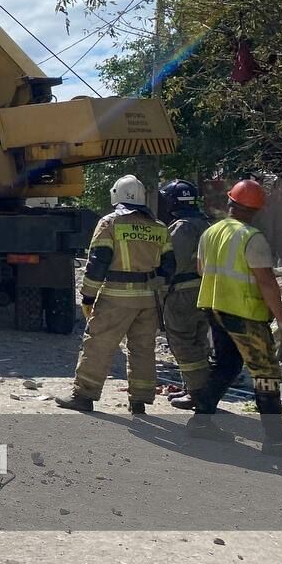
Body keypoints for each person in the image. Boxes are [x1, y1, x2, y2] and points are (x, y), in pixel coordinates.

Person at [187, 180, 282, 456]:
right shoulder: (253, 237)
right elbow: (266, 283)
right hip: (245, 314)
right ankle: (275, 441)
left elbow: (202, 270)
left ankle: (200, 421)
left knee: (227, 366)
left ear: (230, 203)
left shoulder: (211, 232)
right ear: (257, 210)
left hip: (215, 308)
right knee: (266, 374)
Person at [56, 174, 174, 415]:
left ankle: (84, 396)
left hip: (115, 298)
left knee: (98, 345)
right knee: (142, 349)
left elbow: (98, 263)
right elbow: (169, 266)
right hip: (148, 300)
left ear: (116, 195)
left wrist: (87, 296)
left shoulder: (110, 223)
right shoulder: (159, 228)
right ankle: (139, 401)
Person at [157, 179, 213, 409]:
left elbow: (173, 263)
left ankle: (197, 395)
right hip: (205, 291)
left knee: (183, 342)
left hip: (183, 294)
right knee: (199, 342)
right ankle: (196, 388)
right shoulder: (206, 224)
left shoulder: (182, 227)